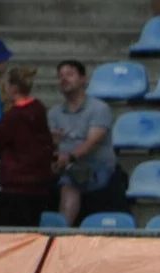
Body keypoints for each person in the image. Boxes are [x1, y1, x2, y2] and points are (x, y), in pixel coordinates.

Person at [0, 63, 56, 228]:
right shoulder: (38, 108)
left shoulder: (13, 116)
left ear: (13, 88)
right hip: (39, 182)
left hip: (15, 185)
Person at [49, 60, 117, 229]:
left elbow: (92, 142)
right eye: (60, 76)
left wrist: (69, 157)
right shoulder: (54, 112)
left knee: (69, 180)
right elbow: (51, 144)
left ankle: (60, 233)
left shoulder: (99, 108)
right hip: (64, 163)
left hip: (95, 165)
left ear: (82, 80)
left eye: (70, 74)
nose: (64, 79)